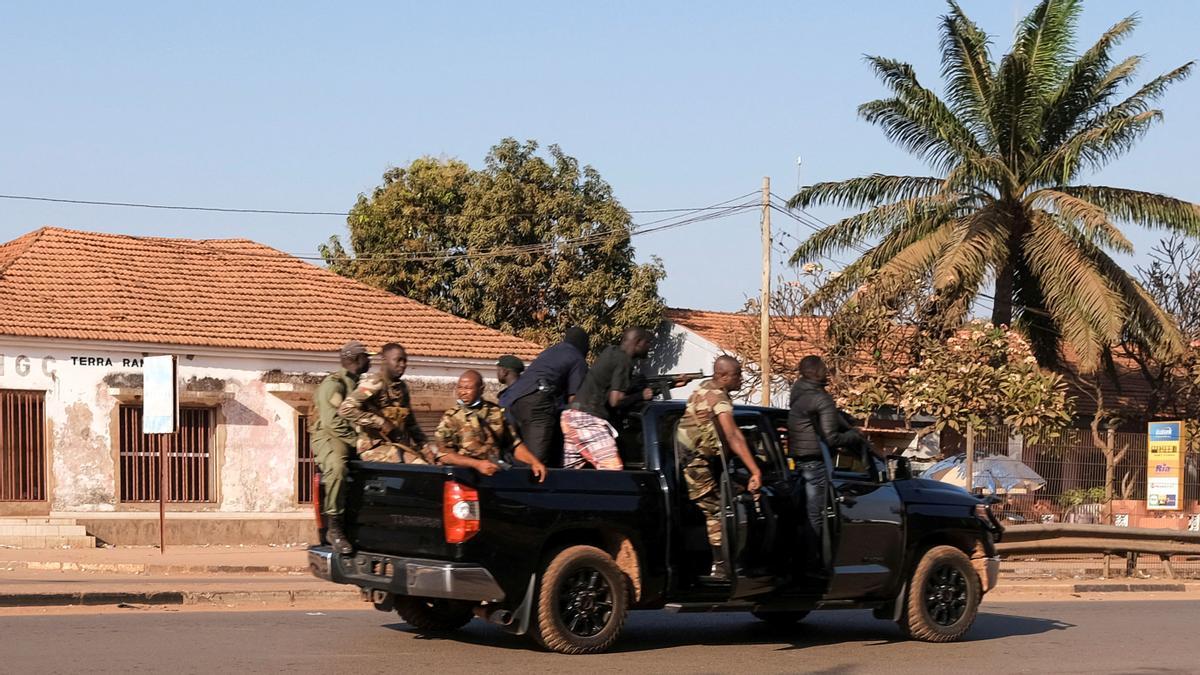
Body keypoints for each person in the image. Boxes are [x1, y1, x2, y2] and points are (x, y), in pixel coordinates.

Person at [676, 356, 763, 579]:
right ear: (723, 376)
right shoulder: (718, 398)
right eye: (737, 375)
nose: (741, 379)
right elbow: (733, 435)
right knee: (716, 511)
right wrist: (755, 471)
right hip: (696, 464)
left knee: (727, 496)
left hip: (696, 461)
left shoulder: (702, 389)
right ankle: (721, 566)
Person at [788, 354, 868, 574]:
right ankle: (815, 563)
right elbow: (831, 438)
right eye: (824, 368)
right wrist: (855, 435)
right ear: (815, 372)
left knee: (803, 512)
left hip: (798, 461)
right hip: (815, 462)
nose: (827, 371)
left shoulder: (798, 392)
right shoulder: (821, 399)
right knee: (816, 514)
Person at [310, 340, 373, 555]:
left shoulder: (360, 385)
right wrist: (357, 442)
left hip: (353, 435)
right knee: (337, 467)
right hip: (329, 435)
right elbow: (331, 422)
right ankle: (334, 526)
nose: (370, 360)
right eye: (366, 356)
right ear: (356, 359)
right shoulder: (334, 384)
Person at [560, 327, 653, 470]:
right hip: (588, 421)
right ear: (638, 342)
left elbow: (606, 385)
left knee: (570, 476)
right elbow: (615, 401)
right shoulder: (624, 361)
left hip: (571, 417)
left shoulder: (610, 352)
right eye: (647, 343)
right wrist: (641, 395)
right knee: (613, 470)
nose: (649, 347)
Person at [433, 370, 547, 481]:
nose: (462, 392)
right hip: (466, 478)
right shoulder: (451, 417)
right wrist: (477, 464)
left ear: (481, 389)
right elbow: (444, 454)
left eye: (468, 388)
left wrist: (534, 462)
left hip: (496, 476)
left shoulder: (495, 412)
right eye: (460, 387)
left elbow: (514, 444)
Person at [499, 326, 590, 466]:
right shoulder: (577, 358)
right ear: (584, 345)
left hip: (513, 402)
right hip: (537, 403)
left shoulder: (551, 351)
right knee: (536, 462)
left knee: (516, 448)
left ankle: (506, 469)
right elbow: (574, 400)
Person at [339, 342, 434, 463]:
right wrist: (380, 422)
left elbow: (411, 423)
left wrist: (426, 448)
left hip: (397, 446)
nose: (403, 365)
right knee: (420, 467)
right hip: (374, 448)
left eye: (405, 361)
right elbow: (346, 409)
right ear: (384, 360)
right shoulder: (374, 383)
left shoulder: (401, 388)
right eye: (398, 360)